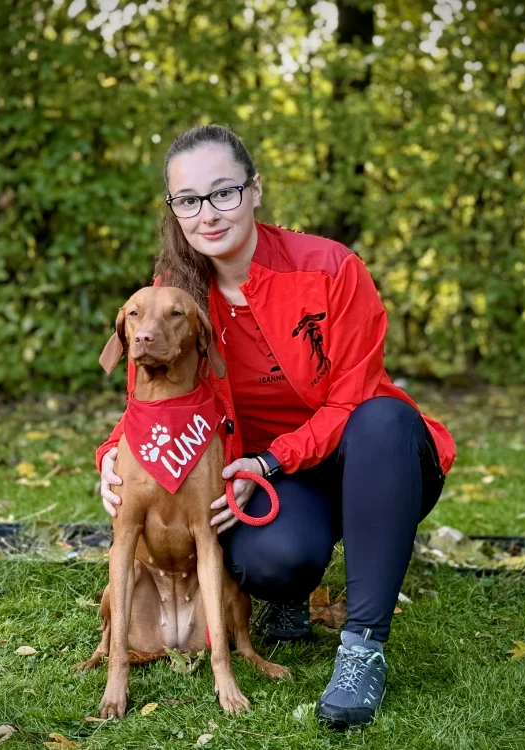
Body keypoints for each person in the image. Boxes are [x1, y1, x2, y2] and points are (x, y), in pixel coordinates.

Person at [95, 124, 455, 728]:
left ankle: (363, 647)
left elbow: (352, 400)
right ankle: (288, 594)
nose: (207, 213)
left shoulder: (331, 268)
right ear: (174, 210)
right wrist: (110, 455)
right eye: (189, 200)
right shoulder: (173, 298)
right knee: (269, 558)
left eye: (224, 192)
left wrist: (269, 461)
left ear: (255, 190)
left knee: (386, 418)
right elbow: (148, 399)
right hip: (272, 480)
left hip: (369, 458)